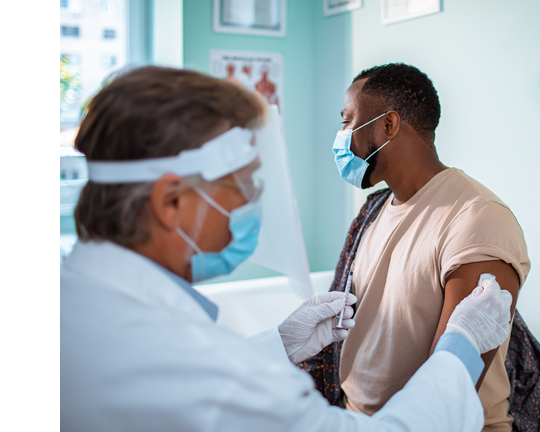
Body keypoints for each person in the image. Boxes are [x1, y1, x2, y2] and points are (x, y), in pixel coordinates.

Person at [60, 66, 514, 432]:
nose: (251, 200)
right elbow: (210, 382)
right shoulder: (197, 365)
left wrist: (277, 344)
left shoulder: (70, 301)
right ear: (170, 202)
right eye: (240, 184)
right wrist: (464, 345)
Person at [331, 63, 531, 431]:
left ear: (388, 125)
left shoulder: (476, 218)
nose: (342, 136)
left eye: (347, 121)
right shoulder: (375, 210)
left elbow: (452, 389)